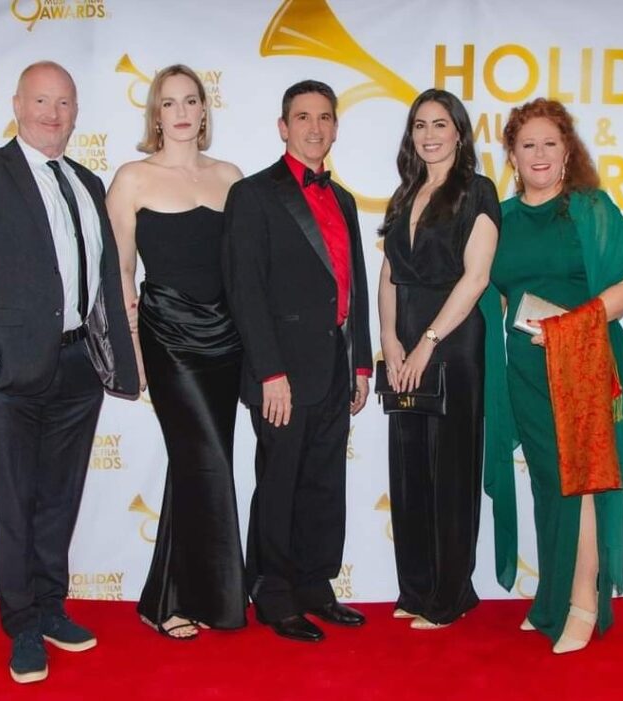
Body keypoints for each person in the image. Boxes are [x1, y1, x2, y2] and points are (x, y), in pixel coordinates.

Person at [0, 61, 139, 683]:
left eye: (64, 104)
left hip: (79, 366)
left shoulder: (87, 179)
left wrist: (118, 360)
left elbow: (105, 278)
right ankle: (21, 624)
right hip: (13, 374)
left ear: (76, 113)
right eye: (42, 102)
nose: (53, 115)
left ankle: (51, 606)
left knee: (60, 499)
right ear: (18, 105)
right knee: (17, 503)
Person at [488, 97, 623, 654]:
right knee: (550, 483)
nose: (539, 154)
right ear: (512, 153)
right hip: (526, 370)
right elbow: (482, 292)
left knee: (584, 480)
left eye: (550, 142)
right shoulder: (499, 219)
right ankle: (552, 597)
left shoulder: (592, 209)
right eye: (527, 144)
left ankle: (584, 601)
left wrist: (572, 325)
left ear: (568, 149)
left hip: (584, 363)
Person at [222, 79, 373, 643]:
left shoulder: (345, 200)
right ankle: (275, 593)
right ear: (283, 127)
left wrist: (360, 363)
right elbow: (246, 290)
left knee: (324, 481)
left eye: (325, 117)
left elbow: (352, 282)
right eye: (303, 117)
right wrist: (269, 374)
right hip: (281, 370)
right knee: (280, 481)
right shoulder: (254, 194)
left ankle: (315, 586)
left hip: (335, 364)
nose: (315, 127)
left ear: (335, 127)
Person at [106, 64, 246, 640]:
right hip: (167, 338)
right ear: (155, 115)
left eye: (191, 100)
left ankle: (165, 596)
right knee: (203, 461)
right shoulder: (132, 178)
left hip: (226, 338)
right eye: (169, 103)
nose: (182, 111)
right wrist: (132, 349)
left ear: (205, 110)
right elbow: (119, 275)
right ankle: (207, 599)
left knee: (198, 465)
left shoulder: (231, 176)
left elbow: (242, 271)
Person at [376, 89, 500, 630]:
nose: (429, 134)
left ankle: (451, 596)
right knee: (408, 467)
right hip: (406, 343)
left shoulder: (478, 191)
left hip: (451, 341)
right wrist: (391, 337)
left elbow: (476, 279)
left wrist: (427, 341)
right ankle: (416, 587)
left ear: (459, 133)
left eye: (440, 124)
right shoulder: (404, 195)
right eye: (420, 125)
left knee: (450, 468)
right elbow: (388, 274)